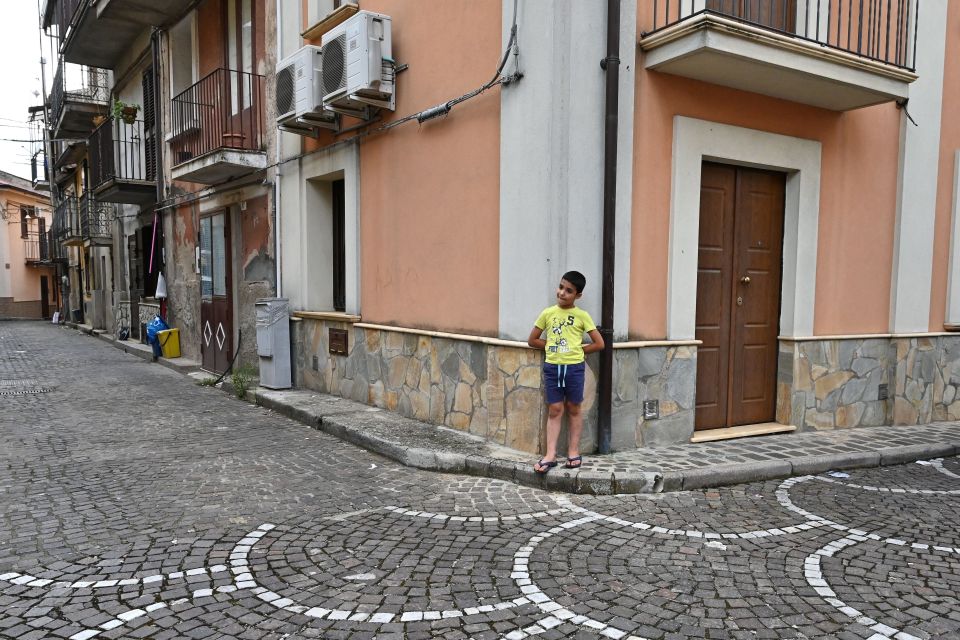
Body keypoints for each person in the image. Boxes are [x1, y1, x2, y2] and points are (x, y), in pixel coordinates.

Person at [527, 271, 605, 474]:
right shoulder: (548, 313)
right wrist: (552, 346)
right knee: (555, 409)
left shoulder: (582, 316)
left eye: (568, 290)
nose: (562, 293)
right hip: (553, 368)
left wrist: (578, 350)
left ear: (578, 295)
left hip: (574, 368)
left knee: (574, 408)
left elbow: (599, 343)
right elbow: (532, 339)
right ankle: (550, 454)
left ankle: (573, 451)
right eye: (561, 287)